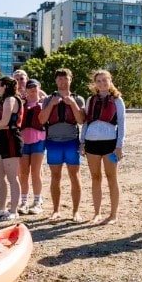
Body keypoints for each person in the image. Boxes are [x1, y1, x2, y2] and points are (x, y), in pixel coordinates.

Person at [37, 69, 86, 220]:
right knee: (55, 176)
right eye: (60, 79)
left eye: (66, 79)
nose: (63, 82)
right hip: (53, 142)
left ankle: (75, 211)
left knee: (74, 175)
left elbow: (81, 120)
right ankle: (56, 210)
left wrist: (72, 104)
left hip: (71, 142)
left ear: (71, 80)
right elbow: (41, 120)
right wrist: (51, 105)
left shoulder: (78, 99)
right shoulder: (48, 99)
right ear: (56, 81)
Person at [82, 69, 126, 224]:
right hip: (92, 142)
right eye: (98, 81)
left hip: (110, 143)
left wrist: (119, 145)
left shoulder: (117, 100)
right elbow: (86, 121)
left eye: (104, 80)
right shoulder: (91, 99)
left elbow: (121, 124)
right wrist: (82, 142)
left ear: (110, 81)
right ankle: (97, 213)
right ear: (95, 83)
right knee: (95, 178)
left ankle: (113, 214)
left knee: (111, 177)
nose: (101, 83)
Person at [0, 76, 23, 220]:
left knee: (12, 177)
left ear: (5, 86)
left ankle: (14, 210)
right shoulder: (4, 100)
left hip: (11, 139)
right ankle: (2, 207)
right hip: (2, 140)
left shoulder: (10, 100)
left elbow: (5, 121)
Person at [17, 79, 46, 215]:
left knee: (36, 171)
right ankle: (23, 201)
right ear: (26, 90)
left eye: (35, 88)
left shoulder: (44, 104)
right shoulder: (21, 105)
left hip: (38, 141)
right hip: (24, 141)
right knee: (23, 172)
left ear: (39, 89)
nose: (33, 91)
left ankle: (37, 201)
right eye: (30, 88)